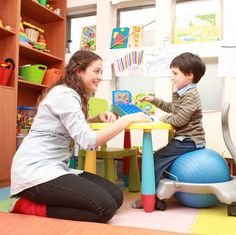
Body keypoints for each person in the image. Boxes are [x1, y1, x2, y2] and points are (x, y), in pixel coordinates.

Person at [10, 50, 151, 222]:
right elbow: (88, 141)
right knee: (105, 208)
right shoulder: (64, 95)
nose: (100, 77)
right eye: (96, 71)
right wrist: (127, 119)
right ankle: (25, 206)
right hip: (34, 172)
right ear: (79, 71)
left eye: (101, 72)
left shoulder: (72, 93)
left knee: (116, 196)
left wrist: (97, 118)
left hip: (55, 167)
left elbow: (73, 127)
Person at [132, 52, 206, 209]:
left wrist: (163, 118)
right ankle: (159, 195)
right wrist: (154, 101)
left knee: (155, 158)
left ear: (189, 75)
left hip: (189, 140)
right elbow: (173, 108)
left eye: (175, 73)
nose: (172, 77)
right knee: (159, 157)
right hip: (184, 139)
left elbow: (179, 120)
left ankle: (148, 195)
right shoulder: (183, 93)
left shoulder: (191, 95)